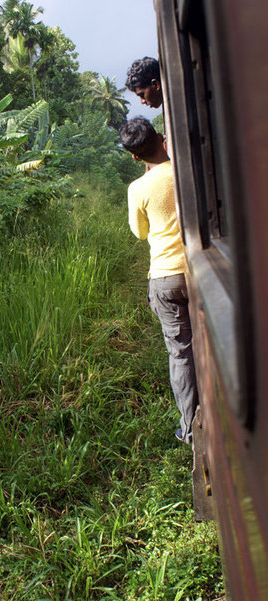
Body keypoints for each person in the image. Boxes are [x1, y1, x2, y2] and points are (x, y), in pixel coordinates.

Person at [119, 116, 197, 443]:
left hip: (165, 278)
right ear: (161, 137)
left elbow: (140, 233)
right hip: (198, 269)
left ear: (136, 157)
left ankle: (192, 429)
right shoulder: (186, 169)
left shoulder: (138, 188)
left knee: (181, 353)